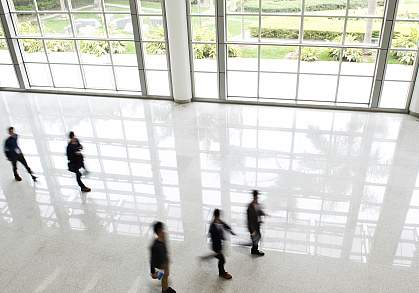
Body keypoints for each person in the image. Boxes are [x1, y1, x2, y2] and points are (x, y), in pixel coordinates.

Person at [207, 209, 235, 280]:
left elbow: (225, 225)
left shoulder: (219, 221)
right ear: (216, 215)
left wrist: (230, 231)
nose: (219, 217)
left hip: (220, 244)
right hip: (216, 246)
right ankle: (222, 273)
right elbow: (213, 238)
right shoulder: (213, 226)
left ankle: (209, 257)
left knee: (220, 258)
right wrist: (218, 249)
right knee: (222, 260)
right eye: (218, 215)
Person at [150, 221, 176, 293]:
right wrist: (152, 272)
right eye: (162, 229)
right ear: (158, 231)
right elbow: (152, 259)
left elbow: (165, 248)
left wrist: (167, 258)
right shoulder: (155, 246)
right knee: (164, 277)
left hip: (165, 262)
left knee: (166, 275)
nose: (163, 231)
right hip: (160, 264)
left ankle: (165, 288)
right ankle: (164, 290)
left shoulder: (163, 237)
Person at [247, 190, 266, 256]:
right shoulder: (250, 206)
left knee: (258, 237)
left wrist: (263, 213)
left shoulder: (257, 204)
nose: (257, 197)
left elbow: (259, 211)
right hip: (253, 226)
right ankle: (254, 250)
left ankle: (254, 250)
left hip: (257, 224)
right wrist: (252, 230)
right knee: (256, 237)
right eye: (256, 196)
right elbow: (249, 219)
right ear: (254, 196)